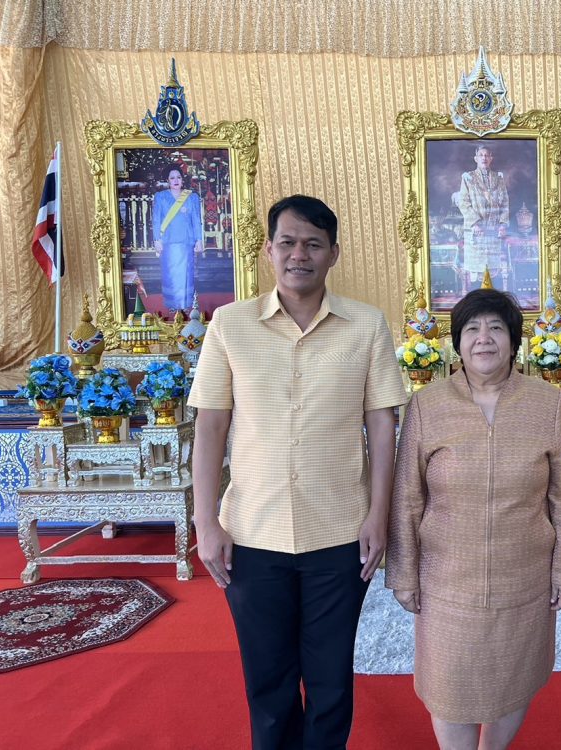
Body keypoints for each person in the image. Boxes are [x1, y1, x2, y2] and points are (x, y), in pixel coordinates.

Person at [190, 195, 407, 749]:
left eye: (313, 244)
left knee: (331, 681)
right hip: (251, 534)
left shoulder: (366, 325)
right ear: (268, 250)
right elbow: (210, 426)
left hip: (340, 533)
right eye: (287, 242)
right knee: (268, 682)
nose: (299, 255)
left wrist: (379, 516)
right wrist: (205, 522)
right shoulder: (230, 325)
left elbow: (382, 426)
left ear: (333, 253)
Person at [386, 288, 561, 750]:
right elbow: (407, 497)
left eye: (496, 328)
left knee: (514, 677)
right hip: (446, 580)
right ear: (457, 342)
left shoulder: (547, 404)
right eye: (472, 329)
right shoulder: (427, 405)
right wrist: (403, 573)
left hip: (525, 577)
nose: (484, 338)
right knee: (449, 686)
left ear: (514, 342)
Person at [152, 165, 204, 312]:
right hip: (168, 242)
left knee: (186, 273)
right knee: (171, 274)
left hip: (187, 241)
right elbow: (156, 220)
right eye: (172, 178)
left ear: (182, 180)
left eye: (178, 177)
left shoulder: (192, 197)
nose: (176, 180)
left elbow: (196, 220)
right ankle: (173, 304)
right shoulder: (161, 197)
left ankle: (186, 304)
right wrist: (156, 239)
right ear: (168, 180)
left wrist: (199, 239)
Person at [457, 145, 510, 290]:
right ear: (475, 158)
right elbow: (463, 202)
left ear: (491, 158)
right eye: (481, 155)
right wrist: (475, 223)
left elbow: (505, 202)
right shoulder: (468, 178)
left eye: (487, 155)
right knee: (476, 277)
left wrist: (503, 224)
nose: (484, 158)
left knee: (494, 276)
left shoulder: (498, 178)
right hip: (476, 233)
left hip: (493, 232)